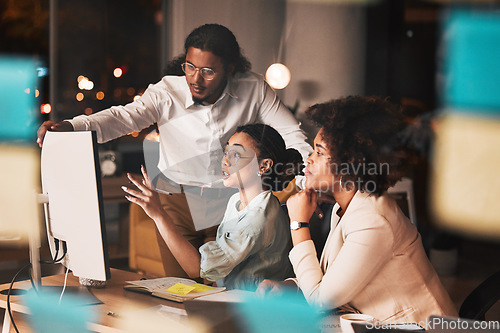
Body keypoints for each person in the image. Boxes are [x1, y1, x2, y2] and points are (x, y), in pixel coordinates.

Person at [36, 24, 312, 277]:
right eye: (190, 66)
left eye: (208, 71)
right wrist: (72, 127)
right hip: (176, 203)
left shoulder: (255, 89)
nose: (196, 78)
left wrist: (308, 181)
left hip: (230, 205)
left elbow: (291, 134)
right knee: (183, 294)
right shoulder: (166, 91)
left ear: (230, 69)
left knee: (225, 294)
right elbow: (122, 118)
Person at [257, 96, 457, 325]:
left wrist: (299, 224)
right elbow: (334, 278)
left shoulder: (373, 218)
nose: (308, 160)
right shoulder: (347, 206)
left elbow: (321, 300)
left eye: (319, 152)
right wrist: (290, 286)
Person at [123, 124, 301, 290]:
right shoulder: (236, 201)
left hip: (250, 310)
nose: (225, 161)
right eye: (226, 152)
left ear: (264, 165)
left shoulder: (256, 220)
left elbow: (197, 268)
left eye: (236, 154)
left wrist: (159, 214)